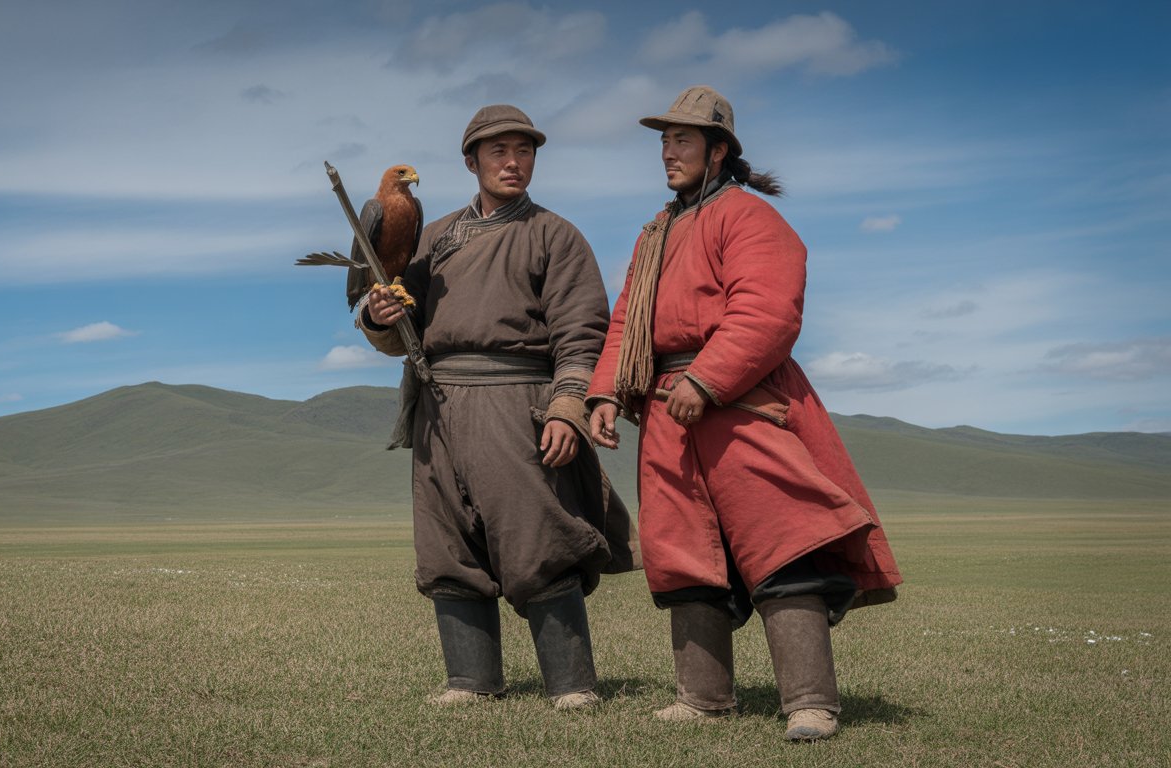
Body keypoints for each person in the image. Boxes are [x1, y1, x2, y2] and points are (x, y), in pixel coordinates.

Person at [586, 85, 902, 741]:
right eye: (665, 141)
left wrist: (707, 378)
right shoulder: (655, 234)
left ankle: (810, 702)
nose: (669, 152)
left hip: (742, 404)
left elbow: (767, 312)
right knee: (683, 553)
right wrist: (605, 394)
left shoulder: (750, 219)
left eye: (683, 140)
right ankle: (703, 697)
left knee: (781, 543)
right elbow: (626, 324)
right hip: (668, 414)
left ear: (719, 148)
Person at [360, 104, 636, 710]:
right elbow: (402, 322)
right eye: (498, 153)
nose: (513, 163)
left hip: (517, 401)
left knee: (537, 533)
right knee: (445, 541)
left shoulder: (554, 234)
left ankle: (572, 686)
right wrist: (381, 317)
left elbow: (582, 330)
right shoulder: (435, 236)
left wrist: (567, 404)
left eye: (525, 152)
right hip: (435, 403)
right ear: (471, 162)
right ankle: (471, 681)